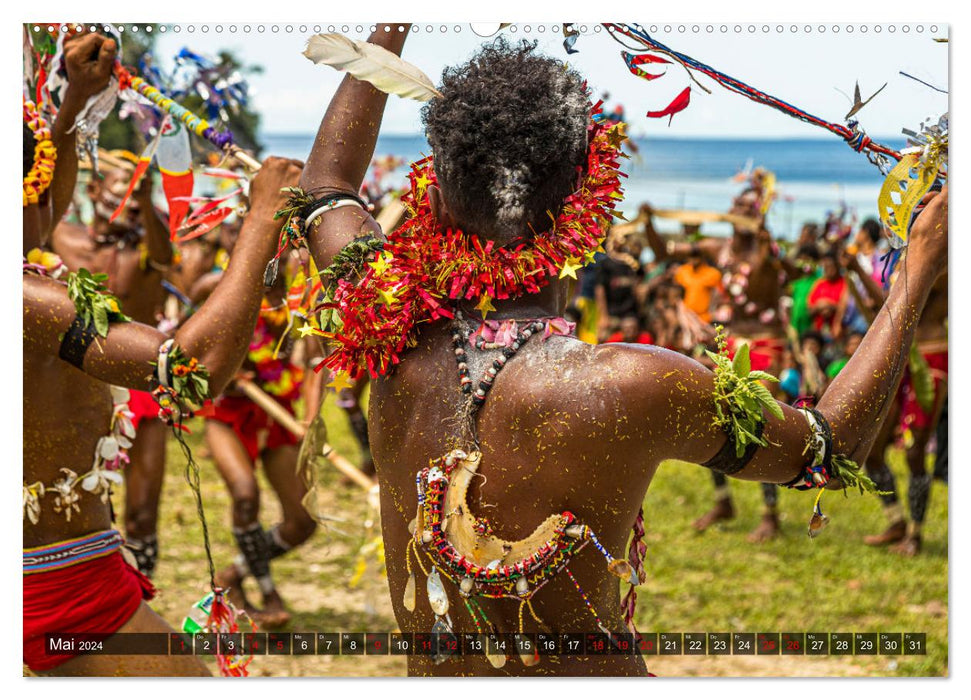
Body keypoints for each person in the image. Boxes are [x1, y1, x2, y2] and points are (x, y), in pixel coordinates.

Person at [295, 26, 948, 676]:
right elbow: (823, 453)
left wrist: (388, 27)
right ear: (593, 214)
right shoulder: (627, 384)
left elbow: (326, 185)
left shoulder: (385, 314)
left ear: (430, 199)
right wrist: (918, 264)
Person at [23, 31, 304, 674]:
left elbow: (38, 208)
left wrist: (73, 107)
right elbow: (191, 371)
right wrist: (261, 220)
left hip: (63, 571)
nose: (35, 189)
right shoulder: (26, 301)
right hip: (63, 591)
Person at [51, 166, 173, 578]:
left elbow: (165, 258)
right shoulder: (62, 239)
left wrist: (146, 196)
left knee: (142, 512)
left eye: (139, 193)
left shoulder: (145, 248)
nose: (131, 199)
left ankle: (140, 596)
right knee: (79, 503)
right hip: (75, 386)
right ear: (94, 189)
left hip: (140, 385)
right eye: (123, 187)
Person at [206, 261, 323, 627]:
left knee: (302, 521)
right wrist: (222, 369)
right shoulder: (230, 292)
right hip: (230, 414)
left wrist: (309, 419)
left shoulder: (303, 300)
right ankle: (268, 592)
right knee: (245, 495)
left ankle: (231, 577)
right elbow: (192, 347)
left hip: (277, 414)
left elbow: (316, 362)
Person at [673, 245, 721, 323]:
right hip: (686, 317)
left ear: (702, 257)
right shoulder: (683, 271)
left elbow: (719, 295)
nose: (693, 259)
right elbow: (675, 291)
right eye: (691, 256)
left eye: (696, 256)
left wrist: (713, 313)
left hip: (705, 318)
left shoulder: (713, 273)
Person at [807, 252, 849, 339]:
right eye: (824, 267)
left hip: (840, 333)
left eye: (830, 267)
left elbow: (848, 308)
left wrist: (829, 306)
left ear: (837, 266)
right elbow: (809, 311)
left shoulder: (846, 283)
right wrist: (819, 307)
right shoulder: (819, 284)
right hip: (820, 334)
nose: (827, 270)